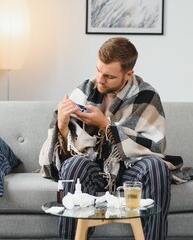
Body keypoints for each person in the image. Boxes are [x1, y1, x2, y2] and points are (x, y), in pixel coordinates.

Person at [39, 37, 171, 240]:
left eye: (109, 76)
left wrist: (105, 125)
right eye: (98, 70)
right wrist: (63, 126)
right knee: (74, 165)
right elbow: (63, 158)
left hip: (129, 172)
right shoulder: (84, 91)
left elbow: (154, 147)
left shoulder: (146, 95)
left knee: (156, 168)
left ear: (128, 74)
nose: (100, 79)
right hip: (93, 170)